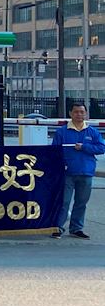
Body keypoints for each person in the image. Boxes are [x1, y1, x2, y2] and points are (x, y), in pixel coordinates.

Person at [50, 102, 102, 239]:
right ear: (70, 114)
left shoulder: (92, 132)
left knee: (81, 202)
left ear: (86, 114)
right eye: (76, 112)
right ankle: (58, 227)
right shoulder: (62, 132)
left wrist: (84, 147)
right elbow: (54, 151)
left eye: (81, 112)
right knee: (64, 202)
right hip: (67, 173)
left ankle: (76, 228)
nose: (79, 114)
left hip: (86, 172)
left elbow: (101, 148)